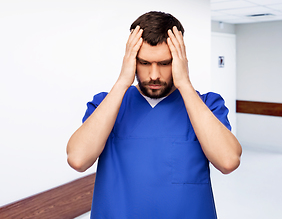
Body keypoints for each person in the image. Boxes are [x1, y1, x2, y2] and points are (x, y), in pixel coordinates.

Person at [66, 11, 242, 219]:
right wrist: (123, 81)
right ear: (131, 61)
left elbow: (228, 161)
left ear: (180, 60)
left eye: (165, 63)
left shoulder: (206, 105)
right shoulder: (108, 104)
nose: (154, 75)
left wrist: (184, 83)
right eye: (144, 63)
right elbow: (78, 159)